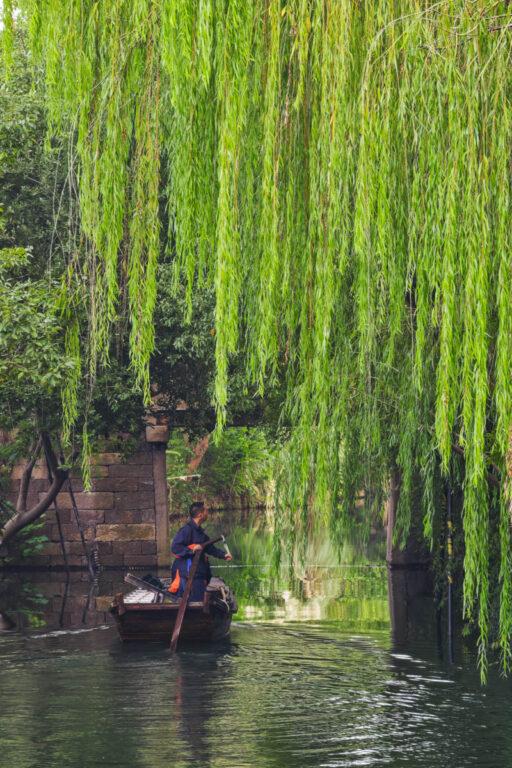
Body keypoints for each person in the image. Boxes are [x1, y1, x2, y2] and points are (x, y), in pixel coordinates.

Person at [169, 501, 232, 601]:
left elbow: (210, 548)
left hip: (198, 574)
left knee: (199, 599)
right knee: (189, 600)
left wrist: (223, 555)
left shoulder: (200, 532)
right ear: (200, 514)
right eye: (206, 510)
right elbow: (175, 548)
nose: (208, 513)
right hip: (186, 574)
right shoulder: (186, 530)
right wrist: (191, 549)